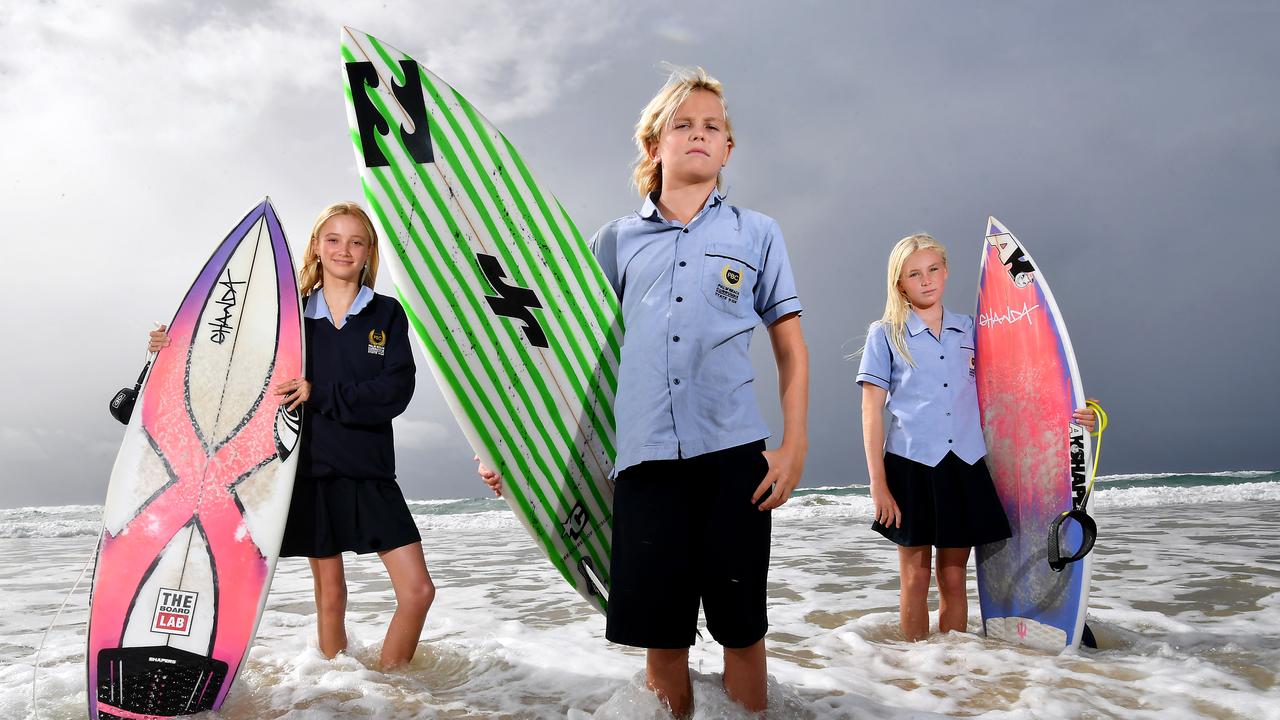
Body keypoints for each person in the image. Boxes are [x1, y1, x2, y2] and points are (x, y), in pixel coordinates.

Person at [481, 67, 808, 717]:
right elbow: (562, 354)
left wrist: (794, 446)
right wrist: (507, 451)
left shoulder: (757, 233)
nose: (698, 134)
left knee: (743, 630)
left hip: (732, 454)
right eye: (681, 124)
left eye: (712, 126)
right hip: (645, 460)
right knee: (663, 640)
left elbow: (790, 348)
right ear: (652, 145)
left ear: (728, 149)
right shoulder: (613, 241)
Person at [148, 201, 434, 669]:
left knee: (418, 591)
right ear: (318, 248)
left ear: (368, 253)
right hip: (309, 471)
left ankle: (391, 685)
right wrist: (172, 345)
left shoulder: (386, 314)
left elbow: (395, 391)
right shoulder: (290, 318)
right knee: (331, 597)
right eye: (334, 239)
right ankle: (346, 693)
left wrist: (318, 393)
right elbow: (233, 361)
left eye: (356, 241)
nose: (344, 249)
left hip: (370, 472)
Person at [855, 232, 1095, 642]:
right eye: (915, 274)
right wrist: (878, 485)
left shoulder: (973, 330)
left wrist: (1074, 415)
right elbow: (870, 410)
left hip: (964, 466)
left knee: (953, 577)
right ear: (900, 283)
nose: (926, 280)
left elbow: (1018, 386)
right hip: (911, 468)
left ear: (946, 272)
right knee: (914, 578)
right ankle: (915, 674)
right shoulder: (885, 335)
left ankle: (955, 673)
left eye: (933, 270)